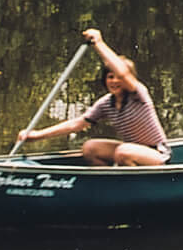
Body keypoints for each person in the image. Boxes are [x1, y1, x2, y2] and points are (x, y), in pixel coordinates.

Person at [17, 28, 171, 165]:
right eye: (110, 77)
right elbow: (76, 124)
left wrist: (99, 43)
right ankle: (109, 185)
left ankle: (129, 188)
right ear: (105, 79)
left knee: (123, 152)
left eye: (118, 77)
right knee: (90, 148)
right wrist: (36, 135)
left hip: (156, 154)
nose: (114, 81)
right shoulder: (106, 103)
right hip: (130, 150)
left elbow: (123, 73)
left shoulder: (138, 95)